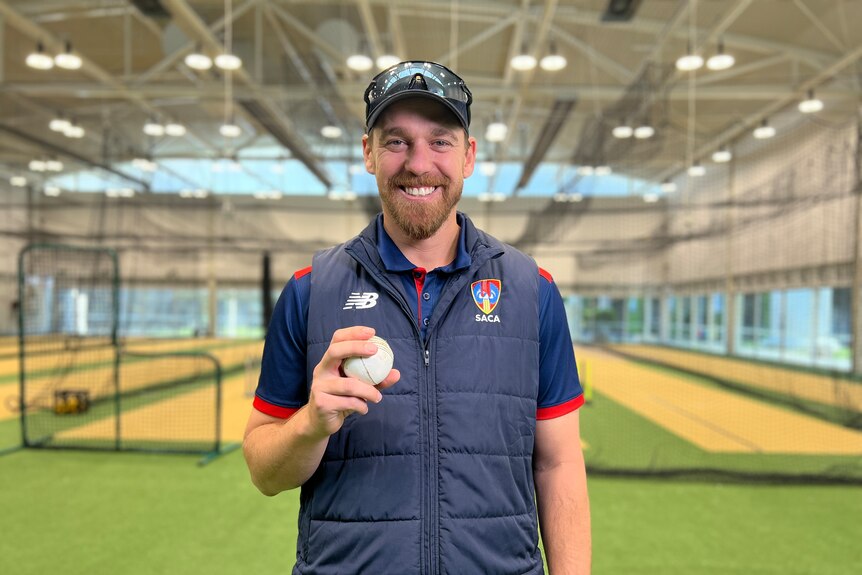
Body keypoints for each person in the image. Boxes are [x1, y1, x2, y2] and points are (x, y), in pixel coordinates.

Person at [243, 61, 591, 574]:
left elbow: (559, 462)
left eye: (441, 141)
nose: (419, 163)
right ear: (369, 153)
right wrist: (310, 426)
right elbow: (263, 470)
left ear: (469, 156)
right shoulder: (309, 291)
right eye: (397, 141)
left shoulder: (529, 290)